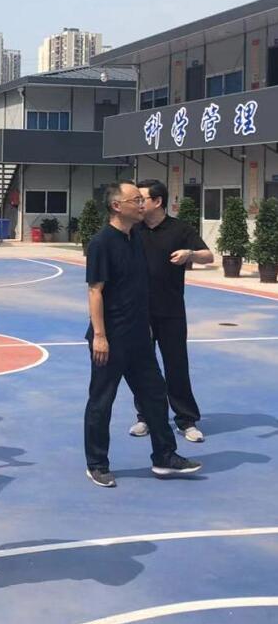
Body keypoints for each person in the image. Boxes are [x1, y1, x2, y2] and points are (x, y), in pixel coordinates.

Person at [84, 181, 203, 488]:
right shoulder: (101, 243)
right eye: (135, 200)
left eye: (142, 199)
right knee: (102, 401)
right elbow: (95, 291)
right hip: (111, 338)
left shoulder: (135, 237)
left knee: (154, 395)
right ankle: (97, 464)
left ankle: (164, 456)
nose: (141, 205)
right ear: (116, 206)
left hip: (139, 336)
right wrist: (100, 335)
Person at [128, 179, 213, 443]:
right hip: (139, 312)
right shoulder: (133, 229)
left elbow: (208, 255)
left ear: (157, 201)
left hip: (171, 310)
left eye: (142, 199)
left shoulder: (180, 229)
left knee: (176, 365)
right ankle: (146, 417)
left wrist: (190, 254)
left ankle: (186, 420)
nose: (138, 204)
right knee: (143, 367)